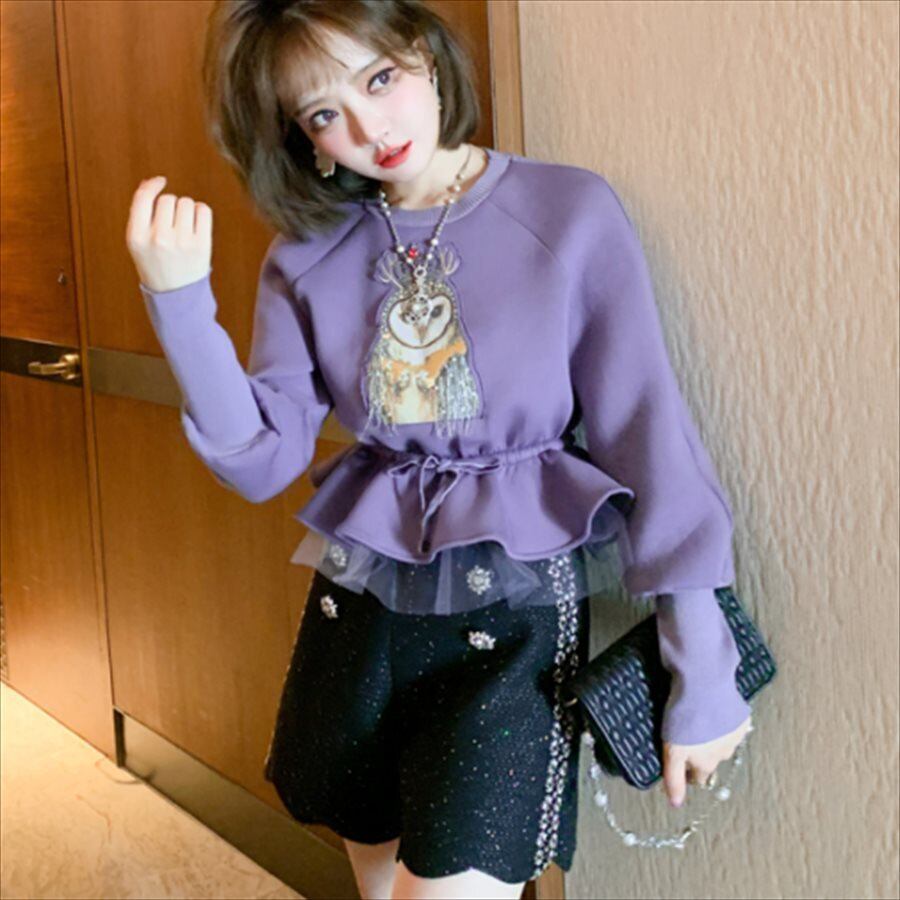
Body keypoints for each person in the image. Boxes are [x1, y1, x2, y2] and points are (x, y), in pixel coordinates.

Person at [125, 2, 752, 898]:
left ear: (421, 51)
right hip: (362, 616)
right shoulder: (306, 254)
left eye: (379, 78)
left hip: (515, 625)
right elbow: (261, 458)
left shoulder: (568, 211)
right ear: (304, 139)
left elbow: (646, 435)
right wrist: (181, 304)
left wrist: (704, 665)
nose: (369, 128)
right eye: (325, 113)